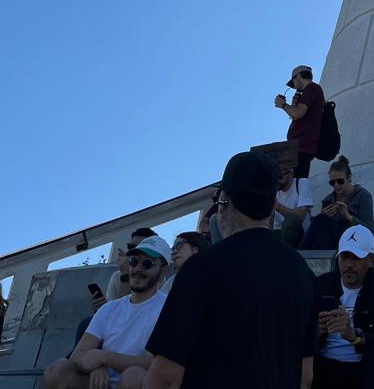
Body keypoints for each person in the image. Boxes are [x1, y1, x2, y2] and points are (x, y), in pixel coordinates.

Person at [144, 151, 318, 389]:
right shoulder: (304, 274)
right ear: (272, 206)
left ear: (224, 202)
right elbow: (305, 377)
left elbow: (164, 378)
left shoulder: (201, 268)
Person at [45, 235, 171, 388]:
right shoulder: (109, 309)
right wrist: (96, 366)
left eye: (147, 263)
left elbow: (156, 364)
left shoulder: (169, 308)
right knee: (57, 370)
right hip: (101, 383)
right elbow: (77, 354)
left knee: (133, 376)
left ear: (163, 270)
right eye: (134, 261)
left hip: (137, 383)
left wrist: (105, 358)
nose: (138, 268)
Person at [314, 225, 374, 388]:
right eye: (345, 257)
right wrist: (314, 331)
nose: (349, 264)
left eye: (356, 258)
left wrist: (356, 337)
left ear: (371, 259)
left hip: (365, 369)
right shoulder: (322, 284)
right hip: (324, 366)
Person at [302, 156, 374, 250]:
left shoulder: (363, 195)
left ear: (349, 178)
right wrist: (327, 215)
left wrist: (348, 216)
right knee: (323, 237)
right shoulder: (329, 199)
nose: (336, 185)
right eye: (332, 183)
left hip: (354, 238)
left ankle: (299, 253)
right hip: (335, 241)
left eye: (340, 181)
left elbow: (369, 230)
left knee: (320, 219)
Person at [275, 66, 326, 178]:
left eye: (293, 80)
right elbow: (296, 116)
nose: (293, 86)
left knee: (297, 184)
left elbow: (298, 113)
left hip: (301, 146)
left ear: (298, 76)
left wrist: (283, 105)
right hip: (298, 146)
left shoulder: (311, 88)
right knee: (294, 183)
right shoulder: (311, 90)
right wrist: (293, 104)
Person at [273, 163, 314, 249]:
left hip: (300, 235)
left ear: (290, 172)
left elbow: (300, 216)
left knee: (291, 220)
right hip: (278, 234)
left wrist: (275, 205)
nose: (276, 181)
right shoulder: (273, 190)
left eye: (280, 177)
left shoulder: (301, 183)